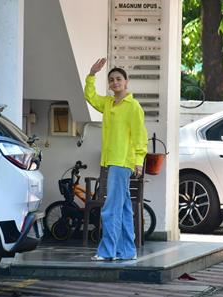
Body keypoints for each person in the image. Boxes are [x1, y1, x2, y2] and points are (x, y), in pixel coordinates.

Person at [84, 58, 148, 261]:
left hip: (122, 163)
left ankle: (107, 251)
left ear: (126, 82)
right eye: (111, 80)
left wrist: (138, 160)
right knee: (124, 208)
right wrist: (92, 74)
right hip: (110, 161)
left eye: (118, 79)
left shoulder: (133, 106)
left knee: (111, 207)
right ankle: (128, 251)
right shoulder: (109, 103)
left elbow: (140, 136)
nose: (115, 82)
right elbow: (91, 96)